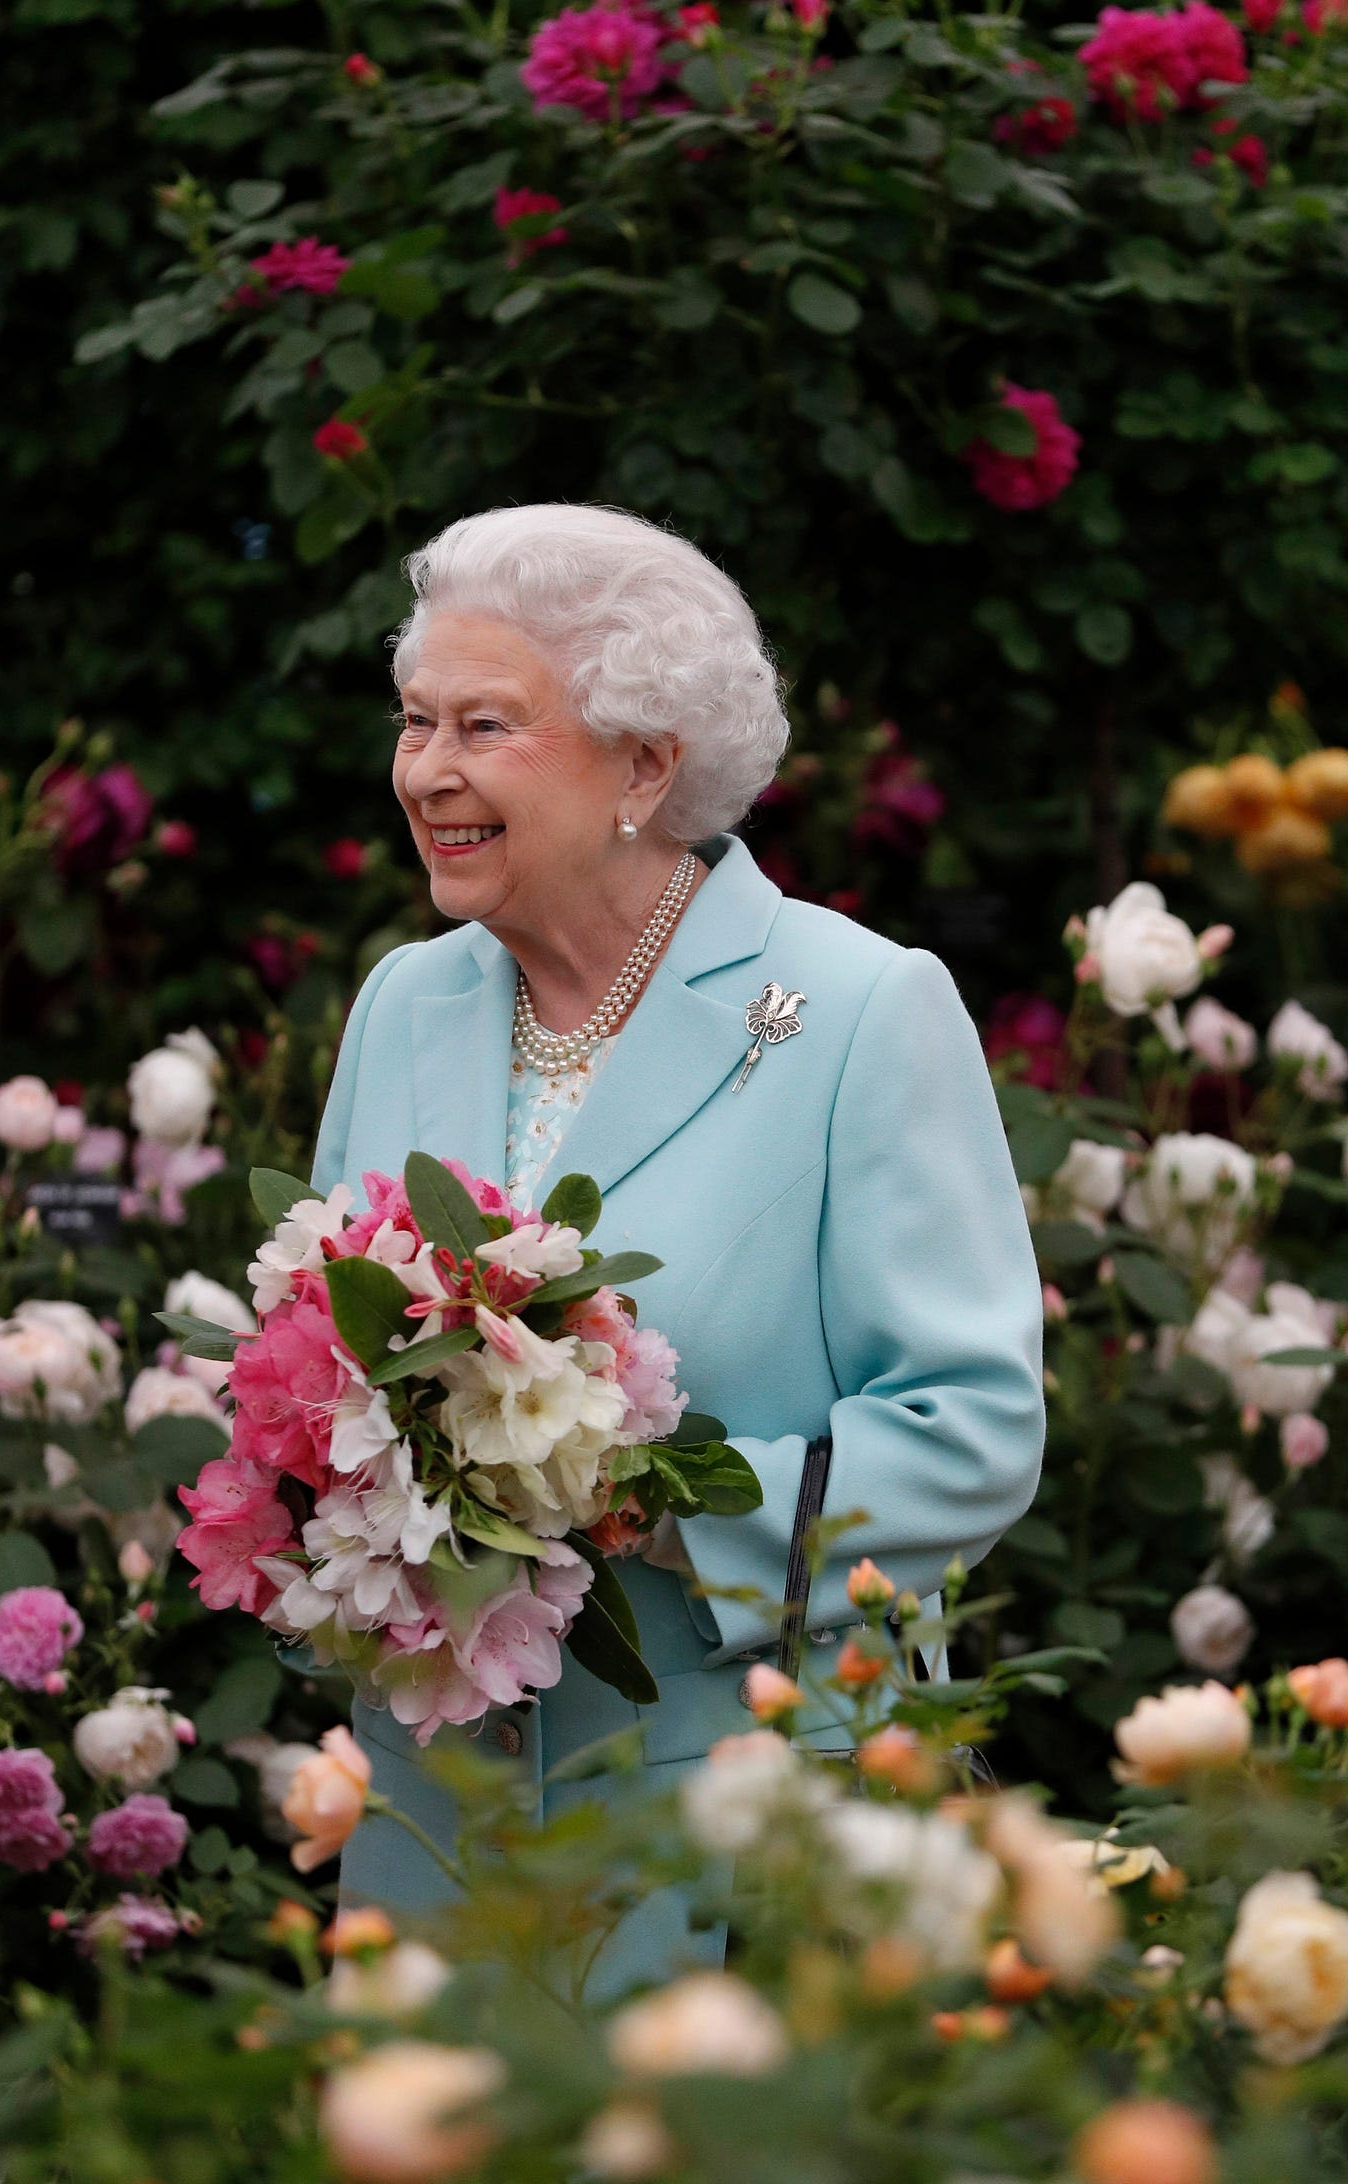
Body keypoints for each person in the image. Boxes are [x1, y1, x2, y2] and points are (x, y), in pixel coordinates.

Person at [309, 503, 1045, 1982]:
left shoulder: (854, 1009)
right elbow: (316, 1378)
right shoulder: (407, 1000)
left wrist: (650, 1504)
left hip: (742, 1816)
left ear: (647, 763)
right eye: (415, 722)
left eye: (485, 726)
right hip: (442, 1829)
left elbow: (973, 1429)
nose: (430, 773)